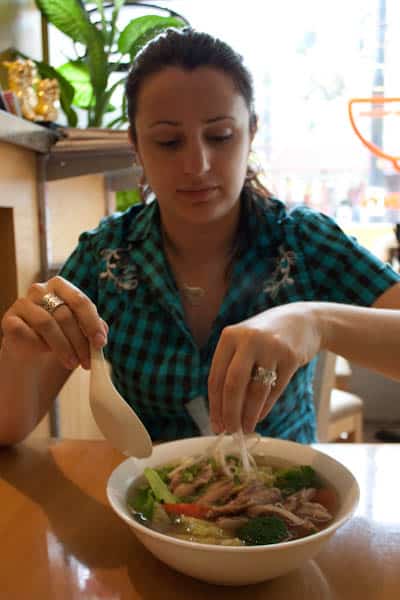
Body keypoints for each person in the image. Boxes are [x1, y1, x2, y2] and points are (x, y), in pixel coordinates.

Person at [1, 28, 400, 447]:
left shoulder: (303, 241)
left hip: (286, 497)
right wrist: (22, 352)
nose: (197, 164)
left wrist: (319, 322)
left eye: (220, 136)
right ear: (136, 146)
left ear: (251, 132)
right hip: (151, 502)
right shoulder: (106, 256)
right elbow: (7, 430)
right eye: (169, 141)